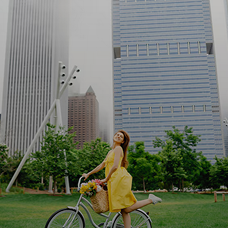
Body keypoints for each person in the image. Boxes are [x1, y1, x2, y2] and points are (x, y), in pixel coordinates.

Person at [82, 130, 162, 228]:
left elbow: (115, 166)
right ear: (114, 136)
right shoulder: (110, 151)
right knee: (124, 210)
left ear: (123, 141)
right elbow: (102, 165)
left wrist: (106, 179)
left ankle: (150, 200)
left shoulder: (118, 149)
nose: (118, 136)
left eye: (121, 136)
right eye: (117, 135)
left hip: (119, 179)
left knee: (126, 208)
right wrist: (88, 174)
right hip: (114, 180)